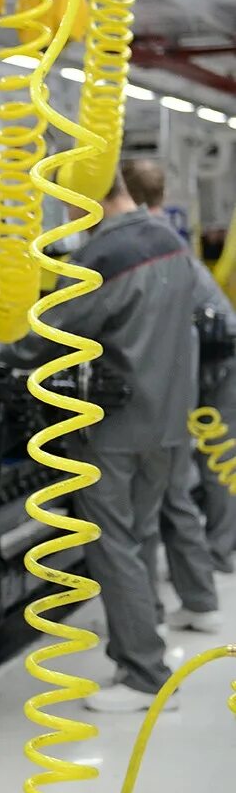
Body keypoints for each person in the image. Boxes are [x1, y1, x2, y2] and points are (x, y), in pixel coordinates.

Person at [0, 170, 198, 711]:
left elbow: (49, 333)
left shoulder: (106, 256)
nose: (67, 219)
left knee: (113, 544)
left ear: (87, 195)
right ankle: (146, 630)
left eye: (67, 205)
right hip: (168, 421)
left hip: (115, 425)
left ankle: (144, 675)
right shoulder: (170, 240)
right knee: (141, 533)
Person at [124, 157, 235, 585]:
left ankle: (218, 555)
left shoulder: (153, 241)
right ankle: (209, 561)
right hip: (204, 358)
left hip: (216, 361)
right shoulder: (165, 237)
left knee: (213, 460)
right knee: (192, 468)